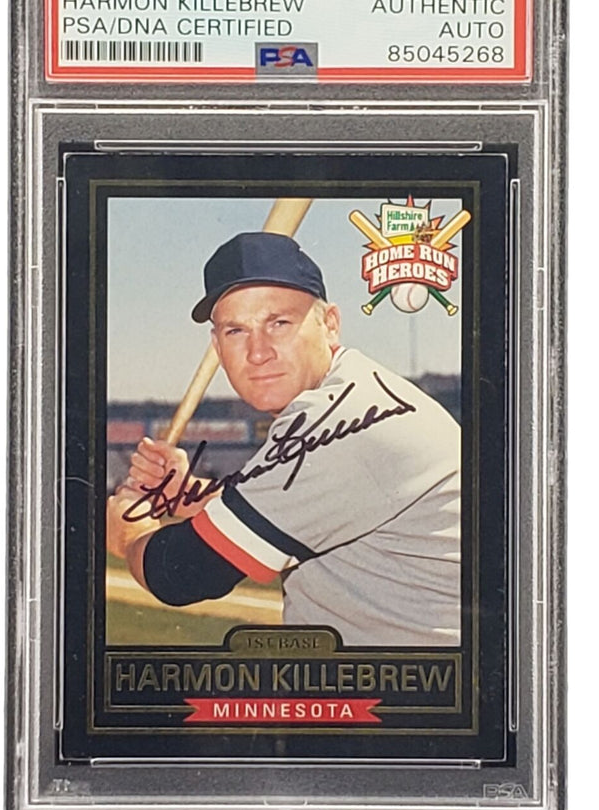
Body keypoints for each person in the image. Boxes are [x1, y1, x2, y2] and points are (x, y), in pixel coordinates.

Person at [107, 232, 461, 646]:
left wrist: (128, 530)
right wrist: (183, 492)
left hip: (414, 678)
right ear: (216, 346)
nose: (258, 352)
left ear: (330, 324)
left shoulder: (342, 420)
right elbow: (281, 507)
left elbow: (181, 572)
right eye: (236, 330)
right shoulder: (353, 393)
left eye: (279, 323)